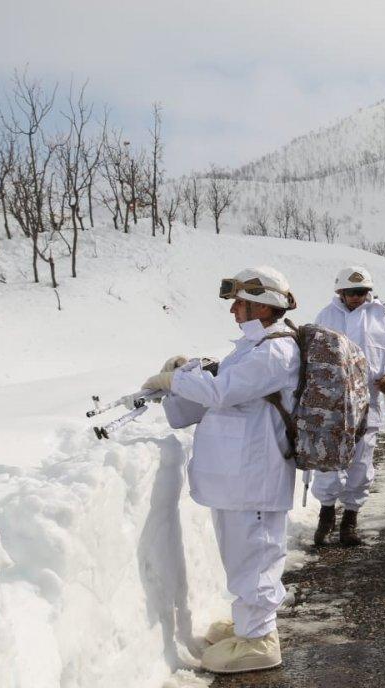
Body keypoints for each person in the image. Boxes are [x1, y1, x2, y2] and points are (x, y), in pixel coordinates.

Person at [147, 266, 300, 674]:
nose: (233, 310)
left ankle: (261, 639)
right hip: (238, 477)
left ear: (263, 306)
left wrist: (178, 379)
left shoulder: (274, 351)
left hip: (255, 476)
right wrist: (185, 374)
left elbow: (221, 391)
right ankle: (249, 622)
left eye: (240, 303)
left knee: (255, 555)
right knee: (242, 555)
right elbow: (218, 392)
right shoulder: (252, 347)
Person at [311, 266, 385, 546]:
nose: (356, 298)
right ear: (340, 292)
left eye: (362, 292)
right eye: (351, 293)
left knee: (361, 464)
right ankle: (326, 515)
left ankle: (350, 521)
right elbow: (312, 356)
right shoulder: (326, 316)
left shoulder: (380, 318)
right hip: (333, 404)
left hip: (368, 402)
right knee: (329, 462)